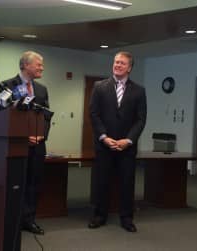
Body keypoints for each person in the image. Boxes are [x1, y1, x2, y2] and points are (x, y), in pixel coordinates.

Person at [88, 51, 147, 233]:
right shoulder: (99, 87)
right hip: (104, 145)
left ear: (129, 67)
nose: (117, 65)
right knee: (102, 182)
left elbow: (140, 119)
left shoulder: (139, 90)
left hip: (127, 148)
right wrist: (104, 137)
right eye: (115, 62)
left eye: (122, 63)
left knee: (127, 183)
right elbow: (94, 114)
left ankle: (127, 218)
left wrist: (128, 140)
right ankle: (99, 216)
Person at [0, 51, 52, 235]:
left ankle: (29, 220)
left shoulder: (42, 89)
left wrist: (41, 135)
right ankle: (11, 219)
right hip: (16, 145)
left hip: (37, 145)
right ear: (26, 65)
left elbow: (45, 117)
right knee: (15, 183)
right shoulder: (6, 85)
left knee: (34, 183)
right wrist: (21, 136)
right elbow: (2, 115)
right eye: (39, 64)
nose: (41, 68)